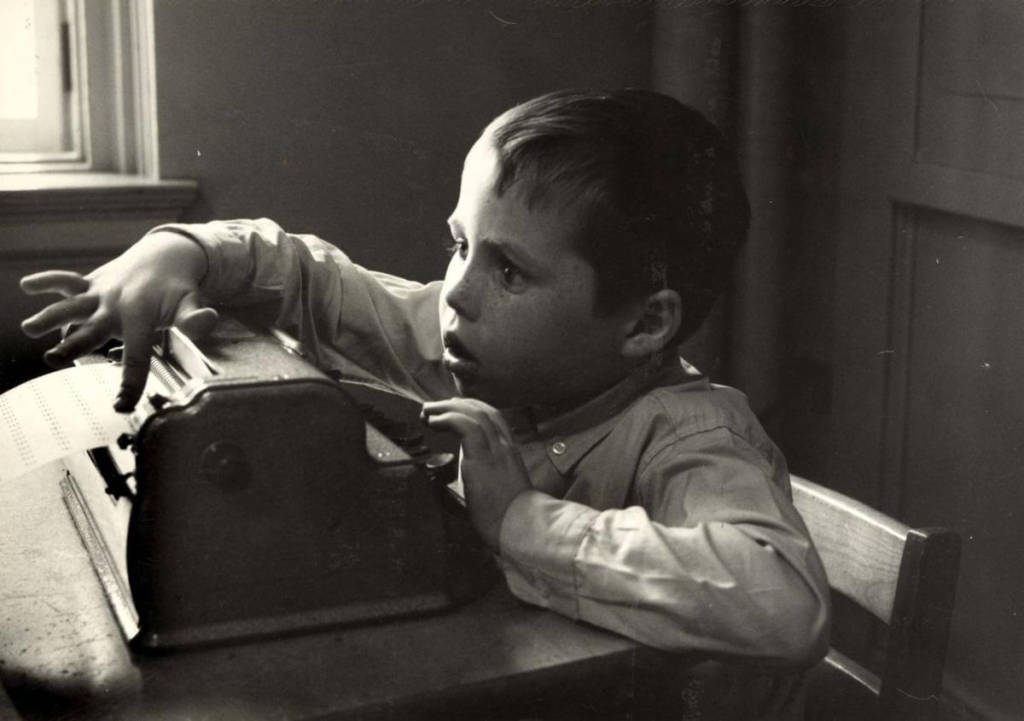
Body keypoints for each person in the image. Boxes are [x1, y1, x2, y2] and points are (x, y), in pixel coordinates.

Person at [21, 89, 829, 718]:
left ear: (645, 324)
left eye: (509, 271)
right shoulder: (473, 347)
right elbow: (310, 279)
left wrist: (522, 521)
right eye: (459, 244)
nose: (456, 294)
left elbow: (785, 606)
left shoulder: (692, 432)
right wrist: (180, 250)